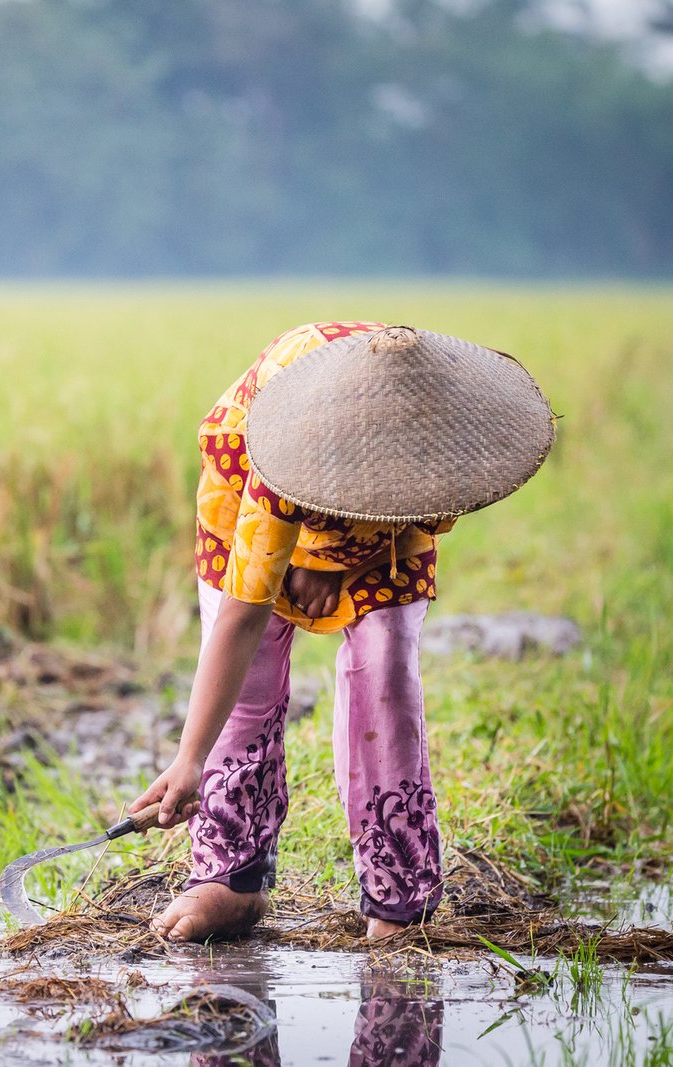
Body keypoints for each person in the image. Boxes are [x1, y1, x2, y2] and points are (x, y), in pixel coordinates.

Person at [131, 322, 555, 942]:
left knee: (383, 673)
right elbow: (242, 617)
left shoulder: (447, 437)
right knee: (249, 688)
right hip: (261, 485)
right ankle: (230, 880)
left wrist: (343, 563)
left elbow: (426, 518)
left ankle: (399, 898)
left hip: (382, 543)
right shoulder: (273, 451)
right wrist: (188, 759)